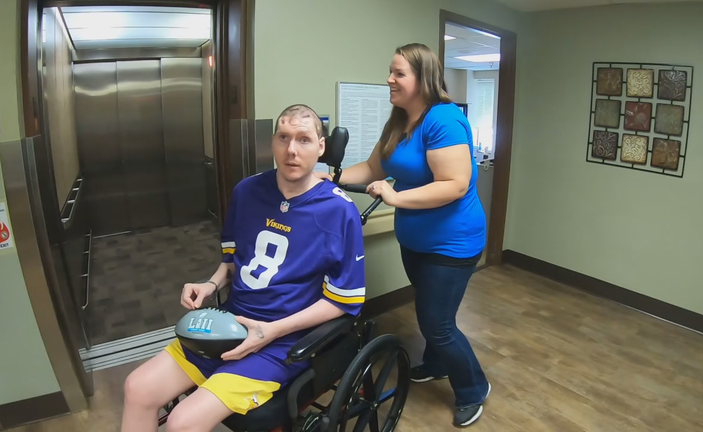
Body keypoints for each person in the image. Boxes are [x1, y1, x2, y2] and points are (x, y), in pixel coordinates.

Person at [121, 104, 366, 432]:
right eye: (284, 137)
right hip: (230, 325)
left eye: (304, 140)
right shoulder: (247, 191)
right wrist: (211, 284)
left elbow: (342, 301)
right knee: (136, 387)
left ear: (321, 148)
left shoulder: (339, 211)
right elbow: (234, 260)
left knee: (181, 422)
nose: (291, 150)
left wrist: (271, 331)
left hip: (281, 342)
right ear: (273, 142)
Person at [316, 43, 490, 427]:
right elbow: (373, 167)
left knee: (438, 324)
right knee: (432, 311)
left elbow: (455, 184)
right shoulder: (399, 120)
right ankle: (436, 363)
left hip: (453, 242)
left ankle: (474, 388)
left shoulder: (443, 120)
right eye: (390, 72)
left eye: (398, 73)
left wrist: (395, 195)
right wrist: (333, 179)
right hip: (416, 240)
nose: (389, 80)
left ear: (422, 78)